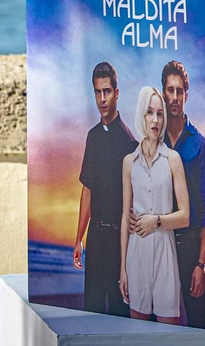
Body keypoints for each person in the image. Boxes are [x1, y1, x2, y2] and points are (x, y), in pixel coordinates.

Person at [119, 86, 192, 324]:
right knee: (138, 334)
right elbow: (124, 216)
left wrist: (156, 221)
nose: (155, 120)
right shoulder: (129, 162)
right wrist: (123, 270)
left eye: (160, 114)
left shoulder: (173, 159)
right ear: (141, 115)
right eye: (150, 113)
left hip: (165, 253)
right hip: (136, 254)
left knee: (169, 334)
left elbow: (185, 216)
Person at [73, 62, 137, 316]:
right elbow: (87, 189)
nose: (102, 98)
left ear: (117, 93)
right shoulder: (92, 136)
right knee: (92, 311)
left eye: (107, 91)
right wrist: (78, 238)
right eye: (98, 92)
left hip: (118, 243)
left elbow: (134, 203)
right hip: (95, 240)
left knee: (120, 315)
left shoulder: (129, 143)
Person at [161, 60, 205, 328]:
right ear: (162, 94)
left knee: (197, 330)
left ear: (186, 95)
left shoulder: (199, 143)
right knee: (157, 327)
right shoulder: (153, 141)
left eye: (179, 91)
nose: (174, 97)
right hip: (160, 245)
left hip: (190, 247)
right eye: (169, 90)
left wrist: (201, 265)